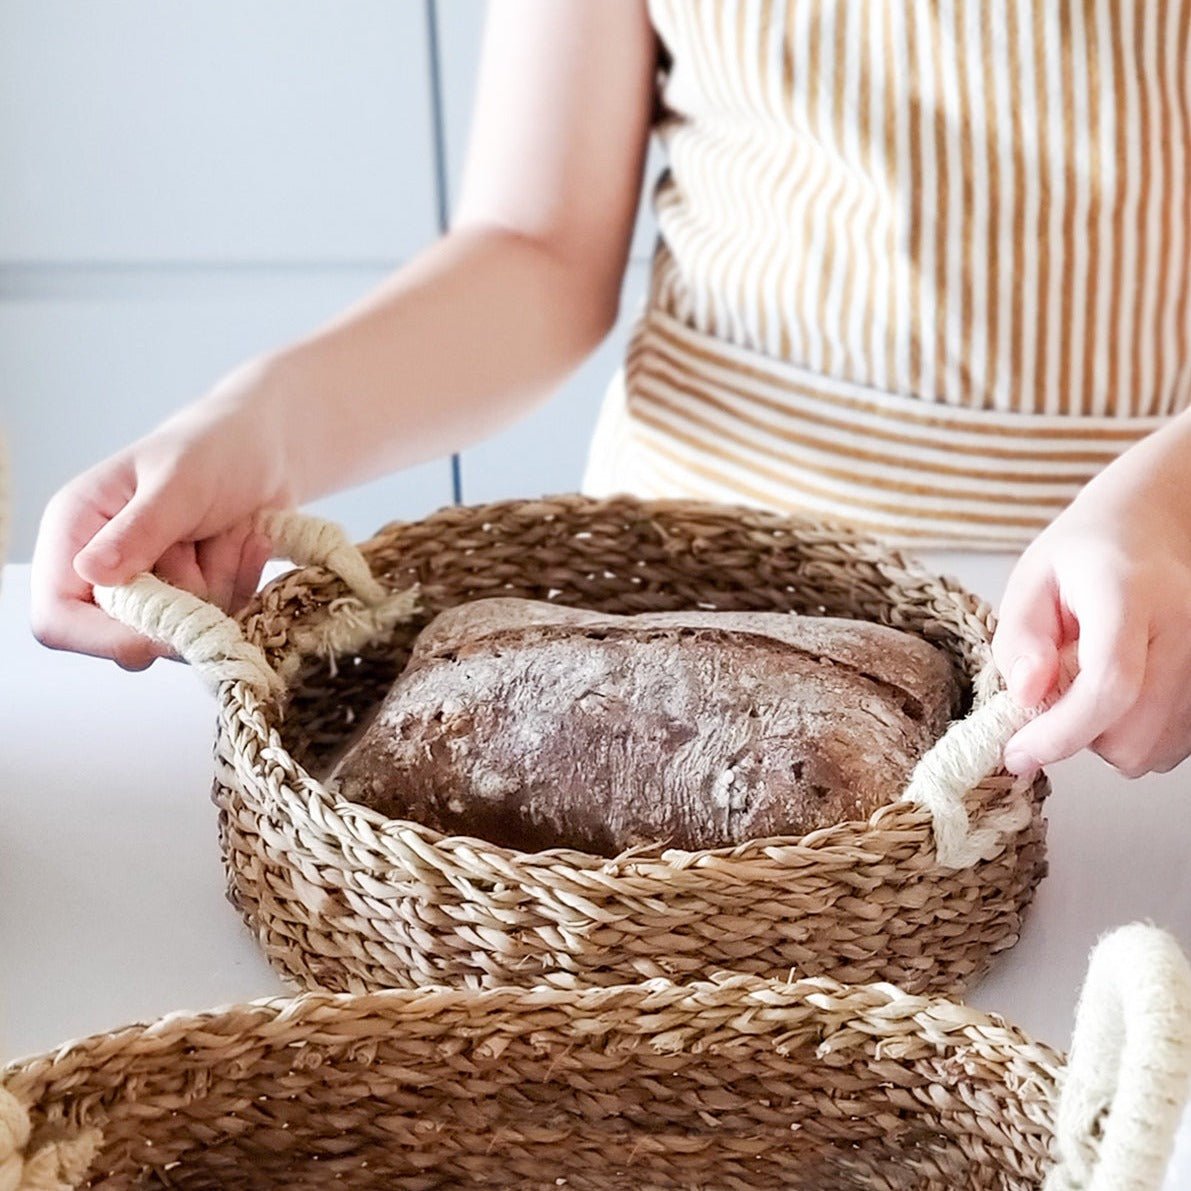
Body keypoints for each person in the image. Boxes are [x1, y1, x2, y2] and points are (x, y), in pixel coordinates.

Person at [29, 1, 1191, 782]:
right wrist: (254, 430)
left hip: (1139, 632)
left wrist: (1175, 508)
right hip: (676, 596)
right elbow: (535, 244)